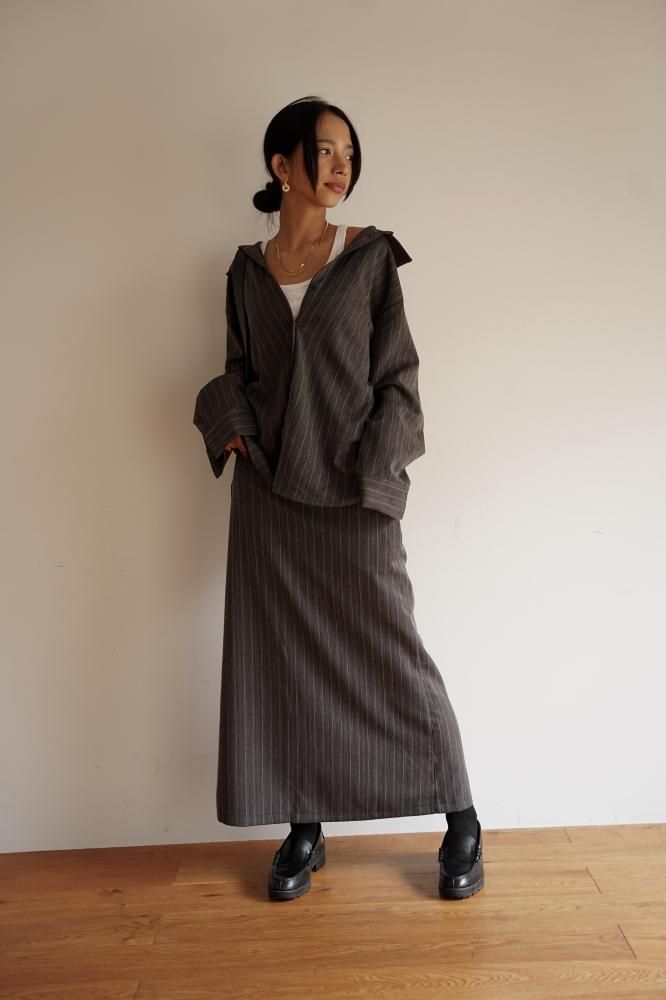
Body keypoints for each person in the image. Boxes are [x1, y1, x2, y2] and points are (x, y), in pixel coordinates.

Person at [193, 96, 484, 902]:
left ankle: (461, 817)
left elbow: (399, 380)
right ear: (281, 164)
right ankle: (304, 826)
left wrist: (377, 475)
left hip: (355, 495)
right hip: (270, 500)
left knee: (393, 654)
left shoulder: (369, 258)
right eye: (324, 150)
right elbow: (239, 372)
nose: (340, 165)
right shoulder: (245, 271)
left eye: (348, 153)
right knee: (280, 663)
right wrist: (234, 430)